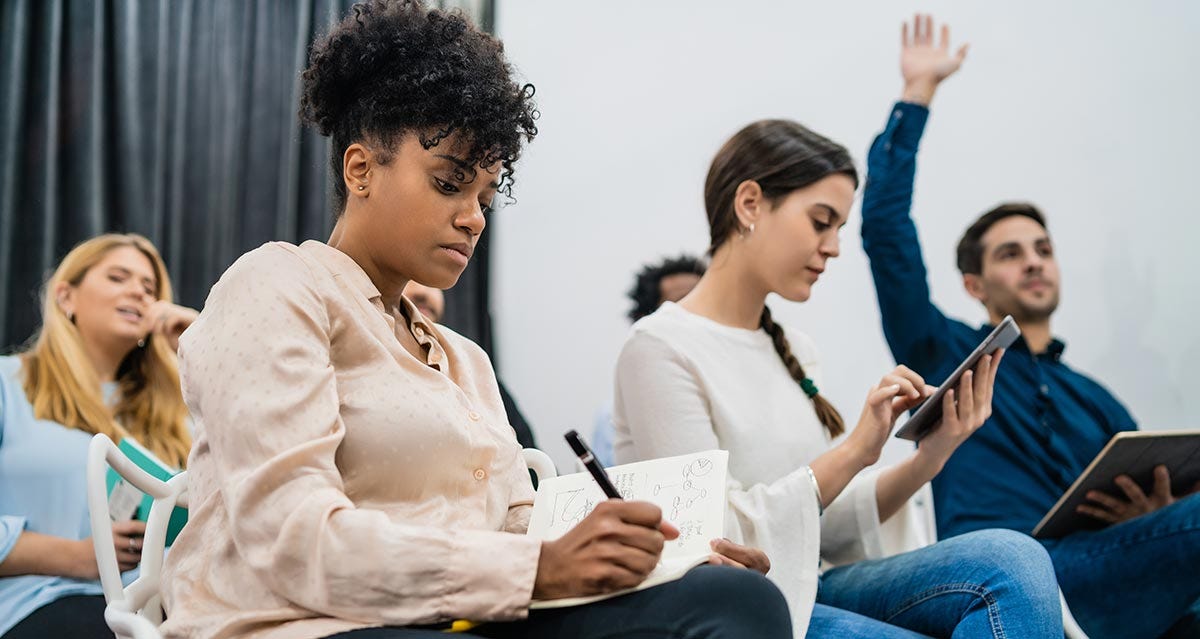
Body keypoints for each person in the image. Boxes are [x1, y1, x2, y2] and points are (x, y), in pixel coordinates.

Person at [159, 2, 792, 638]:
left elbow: (521, 528)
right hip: (303, 624)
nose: (474, 217)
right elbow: (289, 539)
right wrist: (540, 570)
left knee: (730, 597)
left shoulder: (465, 360)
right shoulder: (276, 286)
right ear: (360, 170)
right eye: (449, 183)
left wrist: (656, 560)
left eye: (485, 196)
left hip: (459, 618)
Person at [612, 19, 1064, 637]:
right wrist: (855, 450)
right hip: (747, 601)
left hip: (818, 578)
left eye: (839, 229)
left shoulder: (796, 349)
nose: (832, 248)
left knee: (1015, 557)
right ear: (750, 205)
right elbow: (711, 536)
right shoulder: (659, 350)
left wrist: (930, 454)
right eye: (820, 221)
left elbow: (821, 524)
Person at [859, 14, 1200, 639]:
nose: (1035, 261)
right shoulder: (946, 352)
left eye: (1042, 247)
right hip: (1010, 578)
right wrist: (918, 96)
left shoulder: (1098, 401)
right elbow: (885, 234)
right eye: (1011, 253)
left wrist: (1162, 511)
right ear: (974, 284)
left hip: (1116, 578)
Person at [0, 233, 197, 639]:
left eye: (149, 287)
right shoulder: (7, 384)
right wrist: (76, 557)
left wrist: (202, 355)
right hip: (42, 603)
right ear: (66, 297)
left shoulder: (179, 412)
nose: (139, 294)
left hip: (166, 610)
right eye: (118, 277)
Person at [592, 254, 706, 466]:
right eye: (681, 304)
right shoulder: (610, 419)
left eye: (703, 300)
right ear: (646, 320)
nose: (696, 314)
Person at [402, 281, 537, 449]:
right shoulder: (371, 367)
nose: (422, 291)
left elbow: (531, 452)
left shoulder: (475, 368)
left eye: (431, 282)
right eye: (407, 280)